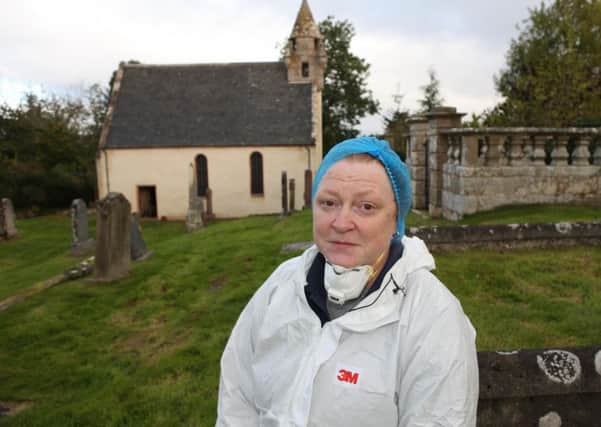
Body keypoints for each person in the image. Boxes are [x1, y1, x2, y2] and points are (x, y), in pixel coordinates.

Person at [216, 137, 479, 426]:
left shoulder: (431, 315)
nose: (341, 223)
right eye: (329, 203)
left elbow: (442, 417)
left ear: (395, 220)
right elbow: (236, 393)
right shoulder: (282, 284)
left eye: (366, 206)